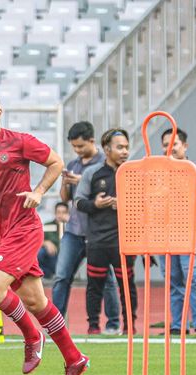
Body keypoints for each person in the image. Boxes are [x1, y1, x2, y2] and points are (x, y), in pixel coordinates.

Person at [0, 90, 89, 375]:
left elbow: (55, 163)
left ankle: (31, 335)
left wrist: (39, 192)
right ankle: (74, 358)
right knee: (35, 300)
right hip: (2, 234)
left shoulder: (19, 142)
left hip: (25, 229)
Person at [51, 121, 122, 334]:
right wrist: (65, 182)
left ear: (92, 141)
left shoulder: (105, 163)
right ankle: (54, 324)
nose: (77, 150)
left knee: (106, 280)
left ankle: (112, 324)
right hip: (74, 230)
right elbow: (65, 199)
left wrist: (82, 180)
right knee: (61, 276)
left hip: (98, 233)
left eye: (81, 146)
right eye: (74, 147)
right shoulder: (73, 164)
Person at [75, 128, 138, 335]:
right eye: (120, 147)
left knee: (127, 286)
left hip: (125, 241)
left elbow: (145, 202)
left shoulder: (134, 173)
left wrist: (126, 204)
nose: (125, 152)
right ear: (107, 149)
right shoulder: (92, 173)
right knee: (95, 286)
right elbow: (78, 202)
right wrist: (96, 204)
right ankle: (93, 327)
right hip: (97, 241)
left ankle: (130, 327)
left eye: (126, 147)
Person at [158, 127, 196, 334]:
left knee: (195, 279)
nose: (169, 148)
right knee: (174, 283)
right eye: (165, 145)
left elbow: (191, 196)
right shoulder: (159, 170)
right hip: (166, 236)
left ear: (185, 146)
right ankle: (177, 326)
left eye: (174, 144)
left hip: (191, 235)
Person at [37, 201, 68, 279]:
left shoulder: (72, 226)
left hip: (67, 260)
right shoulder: (48, 225)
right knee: (40, 252)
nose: (61, 215)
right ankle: (47, 274)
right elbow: (35, 241)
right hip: (53, 258)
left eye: (64, 212)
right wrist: (45, 243)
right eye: (58, 212)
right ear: (55, 213)